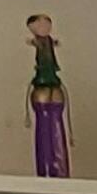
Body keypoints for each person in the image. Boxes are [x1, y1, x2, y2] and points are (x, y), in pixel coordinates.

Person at [28, 13, 70, 180]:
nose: (45, 28)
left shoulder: (48, 42)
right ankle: (50, 169)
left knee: (53, 123)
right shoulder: (39, 42)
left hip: (50, 81)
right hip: (44, 81)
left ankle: (57, 169)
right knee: (48, 122)